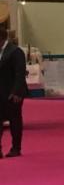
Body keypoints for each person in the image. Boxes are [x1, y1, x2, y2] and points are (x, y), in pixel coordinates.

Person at [0, 28, 25, 157]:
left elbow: (20, 73)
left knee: (14, 121)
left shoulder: (16, 51)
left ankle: (16, 148)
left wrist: (17, 92)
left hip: (12, 93)